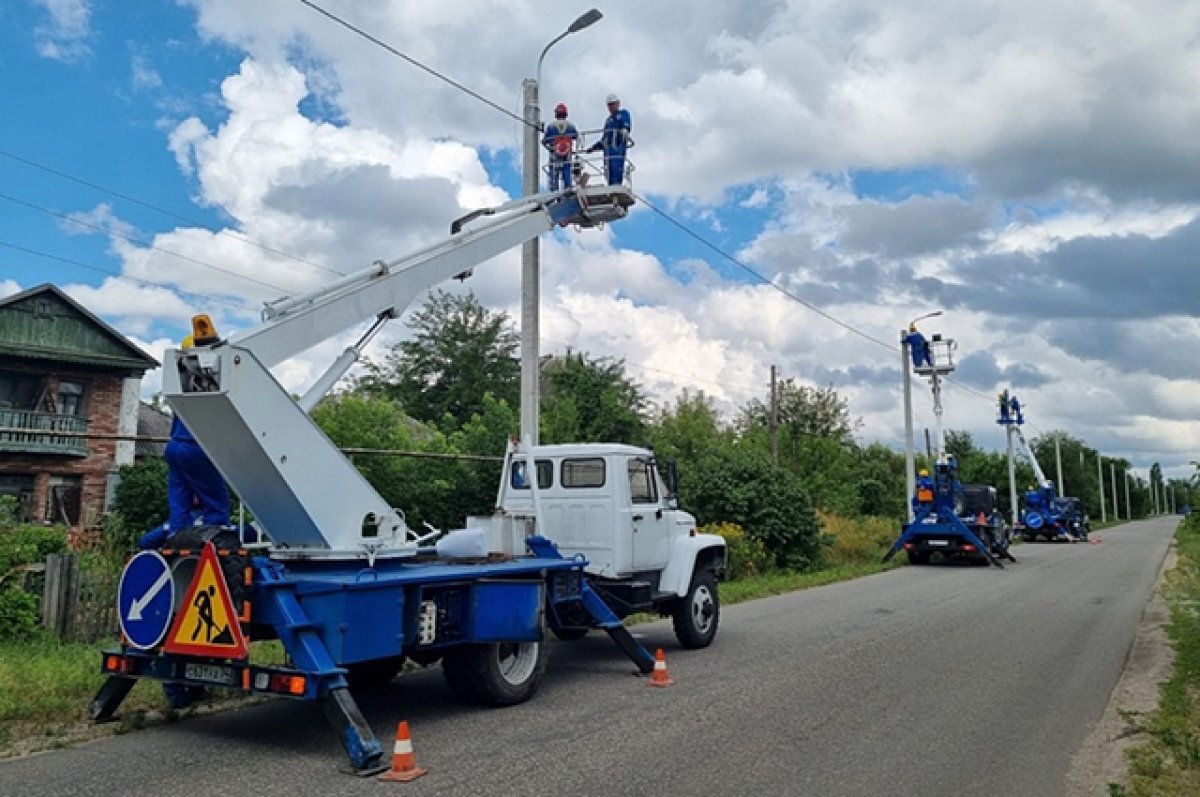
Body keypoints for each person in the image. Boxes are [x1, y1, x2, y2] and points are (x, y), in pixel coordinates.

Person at [164, 336, 230, 535]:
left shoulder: (182, 386)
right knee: (216, 501)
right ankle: (212, 538)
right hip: (195, 447)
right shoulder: (211, 388)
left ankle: (176, 537)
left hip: (174, 446)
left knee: (179, 502)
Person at [587, 93, 632, 186]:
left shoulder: (623, 114)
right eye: (609, 105)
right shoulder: (608, 120)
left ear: (618, 103)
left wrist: (624, 131)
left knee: (616, 167)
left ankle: (616, 184)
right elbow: (605, 138)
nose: (611, 107)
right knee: (608, 169)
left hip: (617, 147)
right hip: (608, 150)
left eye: (613, 104)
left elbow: (626, 126)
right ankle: (611, 184)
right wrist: (593, 147)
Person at [542, 102, 579, 191]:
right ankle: (568, 189)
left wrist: (550, 148)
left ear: (556, 114)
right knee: (567, 171)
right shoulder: (571, 126)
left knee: (554, 173)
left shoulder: (551, 126)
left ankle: (554, 192)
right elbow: (576, 137)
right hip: (567, 154)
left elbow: (544, 141)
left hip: (554, 154)